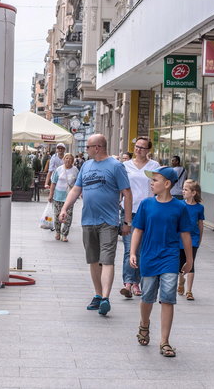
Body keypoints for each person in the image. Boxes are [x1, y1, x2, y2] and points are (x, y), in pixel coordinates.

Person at [59, 134, 131, 316]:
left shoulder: (116, 166)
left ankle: (106, 297)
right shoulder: (86, 166)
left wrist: (127, 221)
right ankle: (98, 295)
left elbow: (127, 193)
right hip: (88, 220)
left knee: (106, 260)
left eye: (89, 147)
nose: (86, 150)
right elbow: (77, 188)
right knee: (93, 260)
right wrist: (65, 208)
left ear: (97, 147)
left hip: (108, 221)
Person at [129, 166, 193, 358]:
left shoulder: (180, 207)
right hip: (149, 256)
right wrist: (133, 253)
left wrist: (189, 260)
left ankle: (165, 341)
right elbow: (138, 230)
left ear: (167, 184)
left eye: (155, 180)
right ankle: (144, 324)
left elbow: (186, 235)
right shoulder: (146, 204)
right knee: (147, 296)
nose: (151, 183)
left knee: (168, 297)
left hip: (170, 257)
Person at [121, 136, 161, 298]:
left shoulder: (154, 166)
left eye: (142, 147)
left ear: (148, 150)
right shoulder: (125, 165)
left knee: (143, 249)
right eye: (137, 146)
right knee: (130, 248)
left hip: (148, 211)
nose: (139, 150)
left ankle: (137, 281)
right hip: (129, 210)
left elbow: (158, 186)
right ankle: (129, 282)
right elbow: (120, 188)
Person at [177, 179, 204, 300]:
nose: (183, 191)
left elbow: (200, 224)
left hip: (193, 239)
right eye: (183, 189)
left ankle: (189, 291)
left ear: (193, 193)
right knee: (181, 264)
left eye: (186, 189)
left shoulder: (199, 208)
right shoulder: (179, 205)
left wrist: (199, 239)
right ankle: (181, 280)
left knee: (191, 263)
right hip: (180, 239)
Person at [48, 153, 79, 242]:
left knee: (68, 217)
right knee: (57, 215)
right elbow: (53, 183)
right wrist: (51, 195)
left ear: (72, 161)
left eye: (70, 158)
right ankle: (57, 232)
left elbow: (78, 183)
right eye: (66, 158)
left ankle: (64, 234)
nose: (68, 160)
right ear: (63, 160)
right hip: (58, 196)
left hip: (69, 197)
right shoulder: (59, 169)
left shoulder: (75, 170)